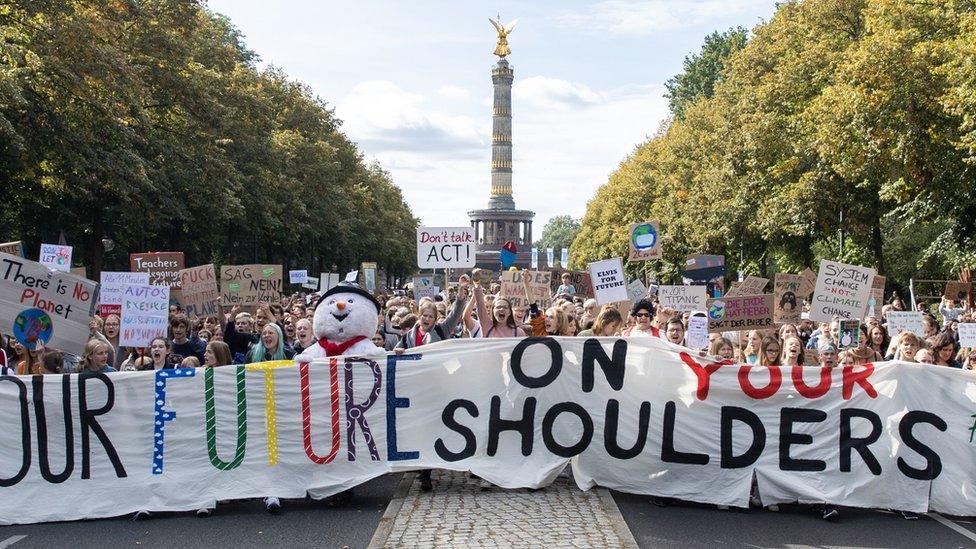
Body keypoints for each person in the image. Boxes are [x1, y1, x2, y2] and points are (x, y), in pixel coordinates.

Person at [396, 284, 469, 353]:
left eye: (431, 317)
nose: (427, 319)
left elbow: (455, 313)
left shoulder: (442, 330)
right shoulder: (408, 337)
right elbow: (393, 354)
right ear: (419, 315)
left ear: (435, 319)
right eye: (425, 315)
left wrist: (461, 292)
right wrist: (398, 351)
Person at [472, 270, 525, 338]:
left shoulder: (518, 332)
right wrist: (476, 282)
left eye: (505, 307)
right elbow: (480, 304)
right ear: (493, 311)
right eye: (498, 307)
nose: (501, 309)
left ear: (509, 312)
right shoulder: (487, 325)